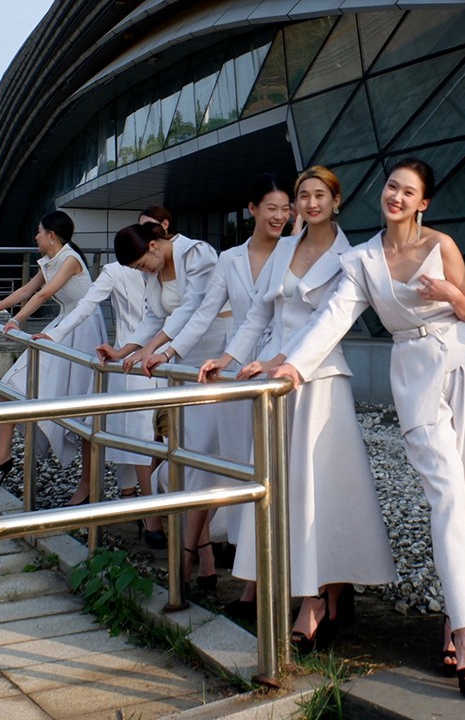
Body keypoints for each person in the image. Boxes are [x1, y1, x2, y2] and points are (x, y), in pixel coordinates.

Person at [254, 159, 465, 697]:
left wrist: (450, 295)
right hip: (413, 376)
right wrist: (294, 366)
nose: (396, 196)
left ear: (423, 203)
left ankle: (457, 615)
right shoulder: (362, 259)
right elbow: (332, 318)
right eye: (392, 186)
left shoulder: (442, 244)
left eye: (408, 191)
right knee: (446, 496)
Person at [198, 165, 396, 652]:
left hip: (319, 380)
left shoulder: (352, 257)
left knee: (319, 489)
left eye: (319, 195)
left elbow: (331, 323)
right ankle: (311, 589)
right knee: (279, 484)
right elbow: (259, 313)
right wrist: (229, 358)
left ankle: (317, 598)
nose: (310, 203)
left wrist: (285, 362)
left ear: (336, 201)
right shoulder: (285, 248)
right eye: (302, 196)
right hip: (273, 377)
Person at [147, 174, 293, 605]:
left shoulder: (294, 251)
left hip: (282, 368)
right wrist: (170, 351)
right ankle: (206, 559)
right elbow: (205, 310)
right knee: (226, 465)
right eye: (271, 208)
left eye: (286, 209)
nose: (280, 216)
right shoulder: (230, 259)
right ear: (252, 209)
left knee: (275, 472)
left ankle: (252, 582)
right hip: (238, 370)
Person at [96, 220, 226, 587]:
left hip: (214, 354)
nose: (143, 272)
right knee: (187, 458)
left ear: (154, 245)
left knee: (205, 458)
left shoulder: (196, 253)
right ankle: (201, 555)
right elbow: (154, 315)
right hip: (181, 360)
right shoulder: (155, 270)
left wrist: (160, 350)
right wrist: (125, 350)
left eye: (142, 265)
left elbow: (194, 310)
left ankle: (196, 554)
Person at [0, 210, 105, 507]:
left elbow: (44, 295)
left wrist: (16, 320)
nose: (36, 237)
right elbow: (27, 290)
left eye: (39, 232)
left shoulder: (70, 260)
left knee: (82, 408)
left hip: (82, 330)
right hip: (64, 326)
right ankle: (3, 455)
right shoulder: (50, 261)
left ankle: (87, 484)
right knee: (9, 384)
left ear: (52, 236)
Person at [31, 253, 166, 546]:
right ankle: (147, 513)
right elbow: (86, 304)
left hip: (165, 358)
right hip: (128, 364)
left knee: (156, 436)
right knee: (138, 435)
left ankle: (138, 501)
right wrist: (56, 333)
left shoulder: (164, 267)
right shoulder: (115, 271)